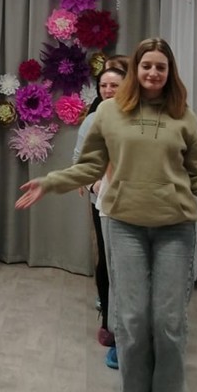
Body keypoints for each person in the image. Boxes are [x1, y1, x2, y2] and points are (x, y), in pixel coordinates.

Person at [15, 37, 197, 392]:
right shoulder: (109, 113)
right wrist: (50, 182)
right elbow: (89, 167)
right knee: (133, 320)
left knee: (169, 323)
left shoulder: (183, 115)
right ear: (135, 71)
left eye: (161, 66)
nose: (153, 72)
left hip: (176, 228)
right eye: (147, 66)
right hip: (125, 226)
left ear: (169, 72)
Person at [72, 62, 126, 354]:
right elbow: (79, 157)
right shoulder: (92, 119)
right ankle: (108, 322)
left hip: (135, 203)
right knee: (106, 260)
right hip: (102, 201)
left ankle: (131, 326)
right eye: (103, 86)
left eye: (114, 85)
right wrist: (91, 182)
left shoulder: (140, 115)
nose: (108, 90)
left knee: (127, 263)